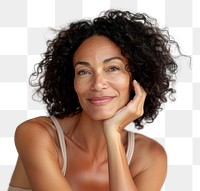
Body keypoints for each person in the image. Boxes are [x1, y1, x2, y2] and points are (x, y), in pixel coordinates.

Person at [8, 9, 180, 191]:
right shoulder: (37, 135)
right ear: (71, 81)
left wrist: (112, 134)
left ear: (136, 79)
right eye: (83, 71)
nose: (98, 84)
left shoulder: (149, 157)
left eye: (113, 68)